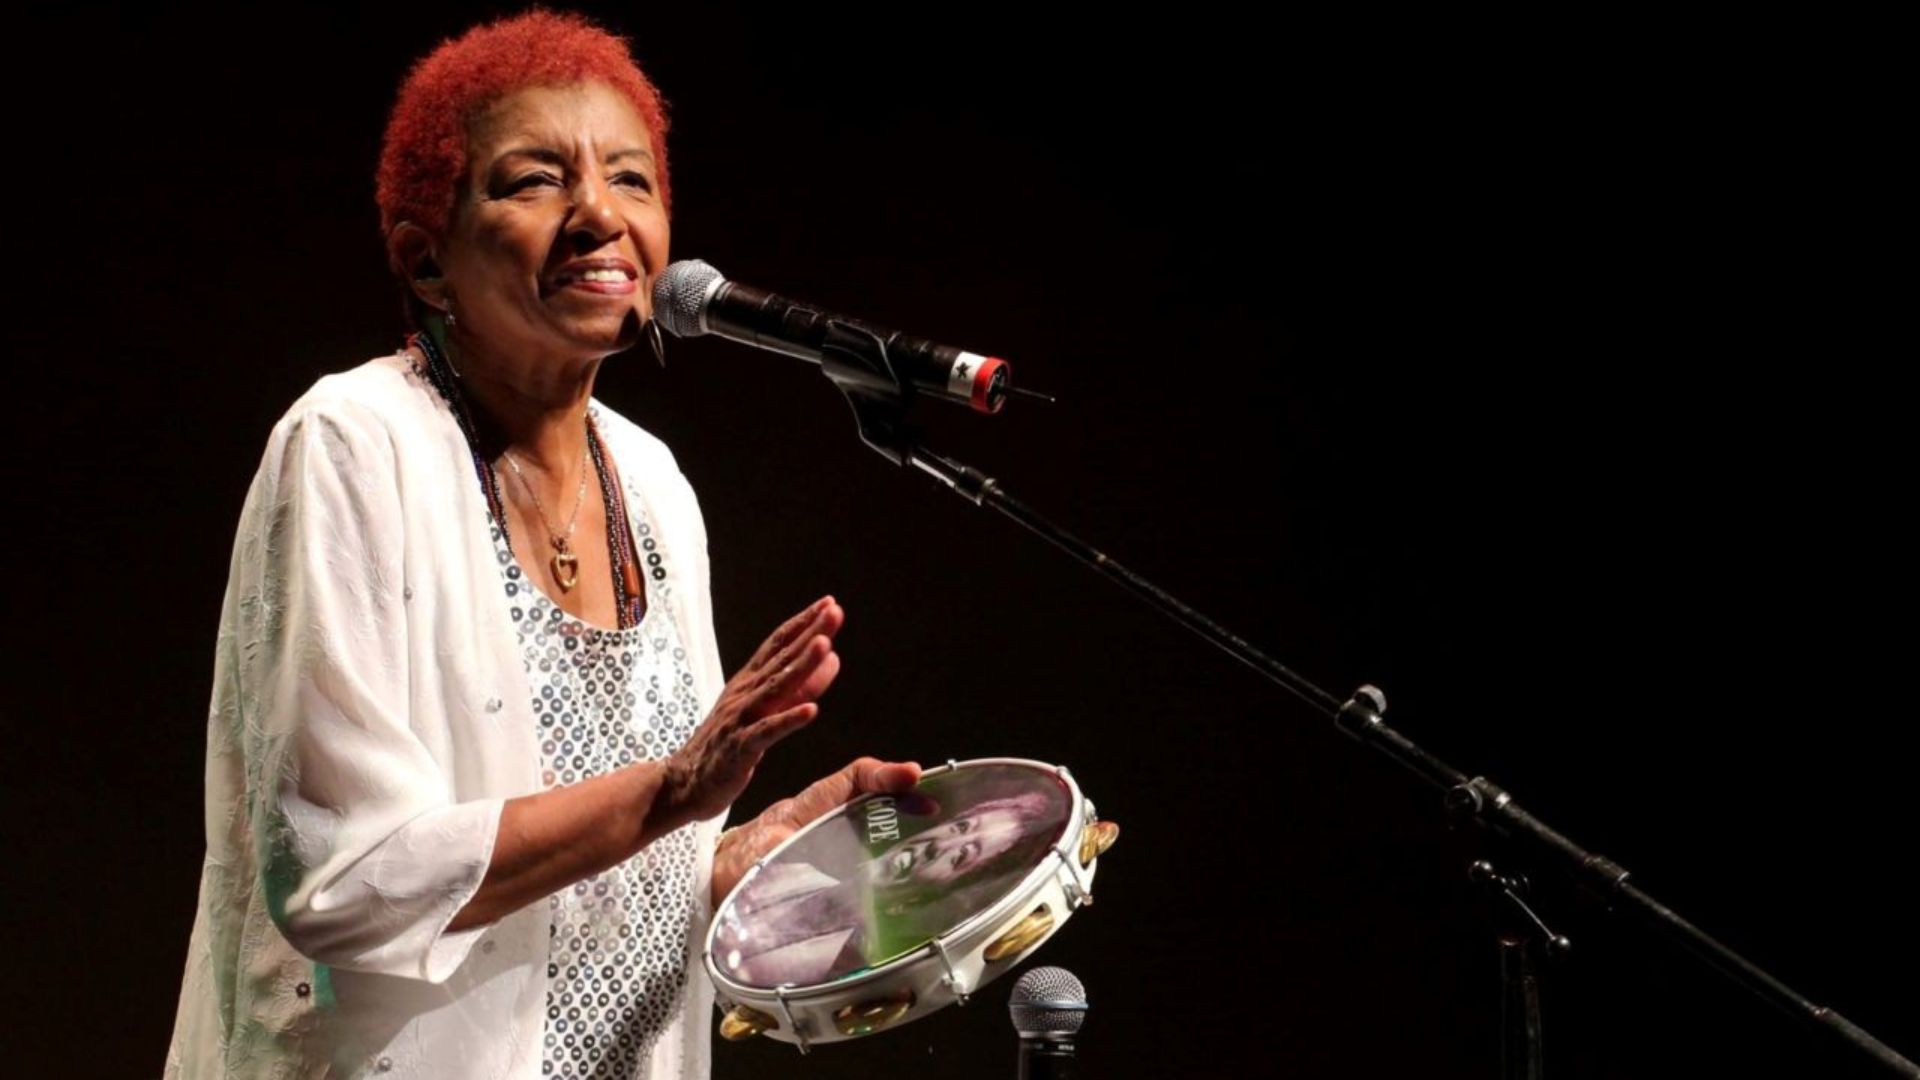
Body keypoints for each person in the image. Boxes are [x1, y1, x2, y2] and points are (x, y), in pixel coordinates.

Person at [164, 11, 918, 1079]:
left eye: (631, 179)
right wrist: (670, 792)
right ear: (427, 262)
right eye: (534, 181)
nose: (600, 214)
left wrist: (741, 856)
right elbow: (341, 875)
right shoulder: (353, 444)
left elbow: (608, 884)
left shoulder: (652, 486)